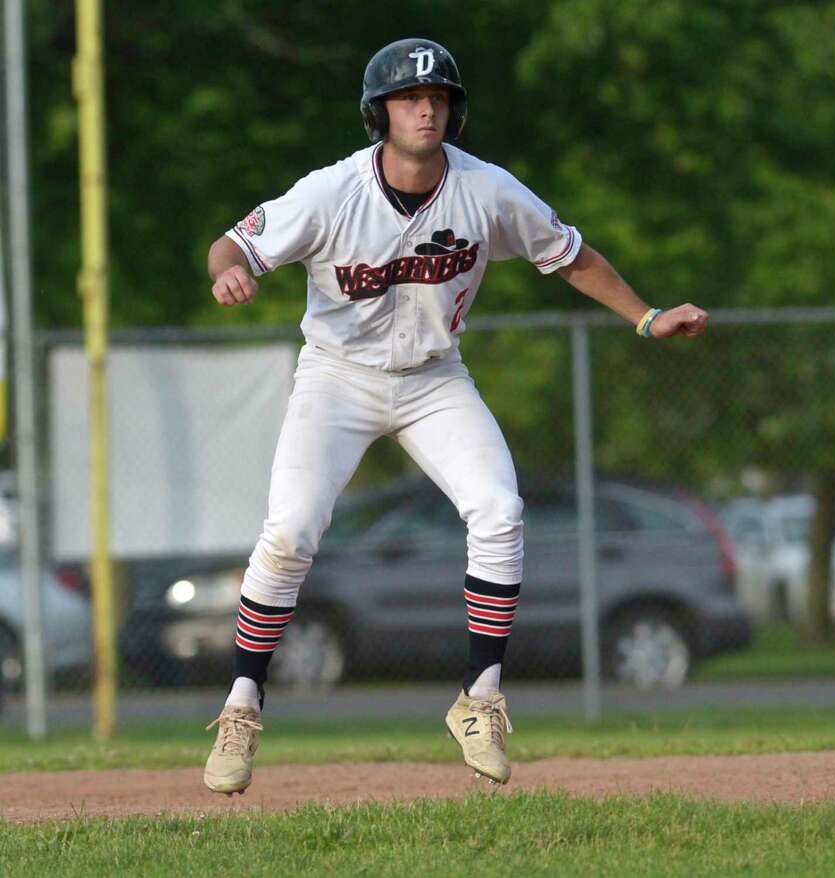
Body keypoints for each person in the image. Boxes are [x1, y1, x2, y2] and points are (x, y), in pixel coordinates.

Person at [202, 38, 708, 795]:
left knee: (500, 510)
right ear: (380, 112)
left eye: (438, 96)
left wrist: (645, 317)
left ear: (454, 110)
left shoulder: (487, 190)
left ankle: (479, 700)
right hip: (337, 378)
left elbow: (569, 253)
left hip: (435, 377)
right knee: (290, 530)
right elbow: (230, 244)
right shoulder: (330, 191)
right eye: (410, 98)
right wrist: (231, 271)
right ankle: (242, 706)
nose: (426, 106)